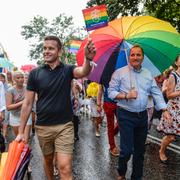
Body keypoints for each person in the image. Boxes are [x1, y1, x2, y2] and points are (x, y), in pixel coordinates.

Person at [15, 35, 96, 180]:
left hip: (64, 126)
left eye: (51, 48)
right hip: (43, 127)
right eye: (44, 48)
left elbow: (83, 72)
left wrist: (88, 59)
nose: (46, 51)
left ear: (59, 51)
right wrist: (21, 132)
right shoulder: (35, 73)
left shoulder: (67, 70)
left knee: (64, 167)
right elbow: (27, 104)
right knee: (48, 161)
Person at [108, 44, 171, 180]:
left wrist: (164, 109)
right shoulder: (119, 73)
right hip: (125, 114)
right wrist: (126, 95)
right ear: (129, 57)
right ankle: (121, 172)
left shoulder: (148, 74)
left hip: (142, 116)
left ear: (142, 57)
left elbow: (156, 92)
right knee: (126, 151)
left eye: (138, 55)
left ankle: (136, 177)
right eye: (133, 54)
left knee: (139, 151)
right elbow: (111, 92)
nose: (135, 57)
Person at [157, 54, 180, 164]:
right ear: (176, 63)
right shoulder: (173, 76)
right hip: (174, 111)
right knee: (171, 137)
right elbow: (169, 95)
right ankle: (161, 151)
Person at [6, 71, 32, 142]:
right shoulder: (10, 90)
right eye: (18, 78)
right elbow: (8, 107)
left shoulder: (28, 88)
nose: (21, 79)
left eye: (22, 77)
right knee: (19, 140)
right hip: (15, 116)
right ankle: (21, 152)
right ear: (14, 79)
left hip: (26, 115)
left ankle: (27, 152)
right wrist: (22, 102)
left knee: (26, 139)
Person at [97, 84, 119, 156]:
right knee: (110, 125)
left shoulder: (119, 73)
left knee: (122, 122)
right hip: (108, 103)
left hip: (120, 103)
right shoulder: (104, 75)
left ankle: (112, 133)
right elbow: (100, 91)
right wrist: (99, 104)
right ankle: (112, 147)